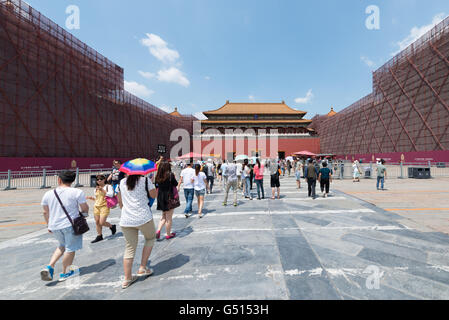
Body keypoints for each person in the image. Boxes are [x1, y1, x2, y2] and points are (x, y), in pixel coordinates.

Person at [40, 171, 89, 282]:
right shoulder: (77, 192)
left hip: (54, 225)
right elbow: (85, 208)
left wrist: (48, 224)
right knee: (70, 248)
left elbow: (45, 212)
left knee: (61, 245)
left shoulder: (48, 193)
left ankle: (50, 266)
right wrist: (84, 215)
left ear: (59, 179)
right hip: (70, 224)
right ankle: (65, 273)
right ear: (73, 180)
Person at [117, 173, 157, 289]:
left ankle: (127, 279)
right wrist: (152, 184)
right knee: (150, 238)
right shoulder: (145, 180)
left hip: (126, 219)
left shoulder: (122, 182)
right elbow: (153, 195)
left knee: (129, 247)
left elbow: (120, 201)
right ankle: (142, 267)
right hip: (143, 217)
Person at [87, 175, 117, 243]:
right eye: (98, 179)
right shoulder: (96, 189)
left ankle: (112, 226)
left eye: (101, 179)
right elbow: (97, 198)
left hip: (105, 206)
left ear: (104, 179)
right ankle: (99, 236)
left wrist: (102, 190)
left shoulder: (108, 186)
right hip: (96, 206)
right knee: (97, 222)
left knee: (102, 222)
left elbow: (111, 195)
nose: (99, 180)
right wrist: (91, 198)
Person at [156, 161, 179, 238]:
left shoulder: (158, 175)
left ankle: (158, 230)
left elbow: (156, 186)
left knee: (163, 216)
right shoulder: (170, 175)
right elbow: (175, 184)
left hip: (160, 197)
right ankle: (168, 234)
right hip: (169, 197)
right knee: (169, 217)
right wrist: (174, 177)